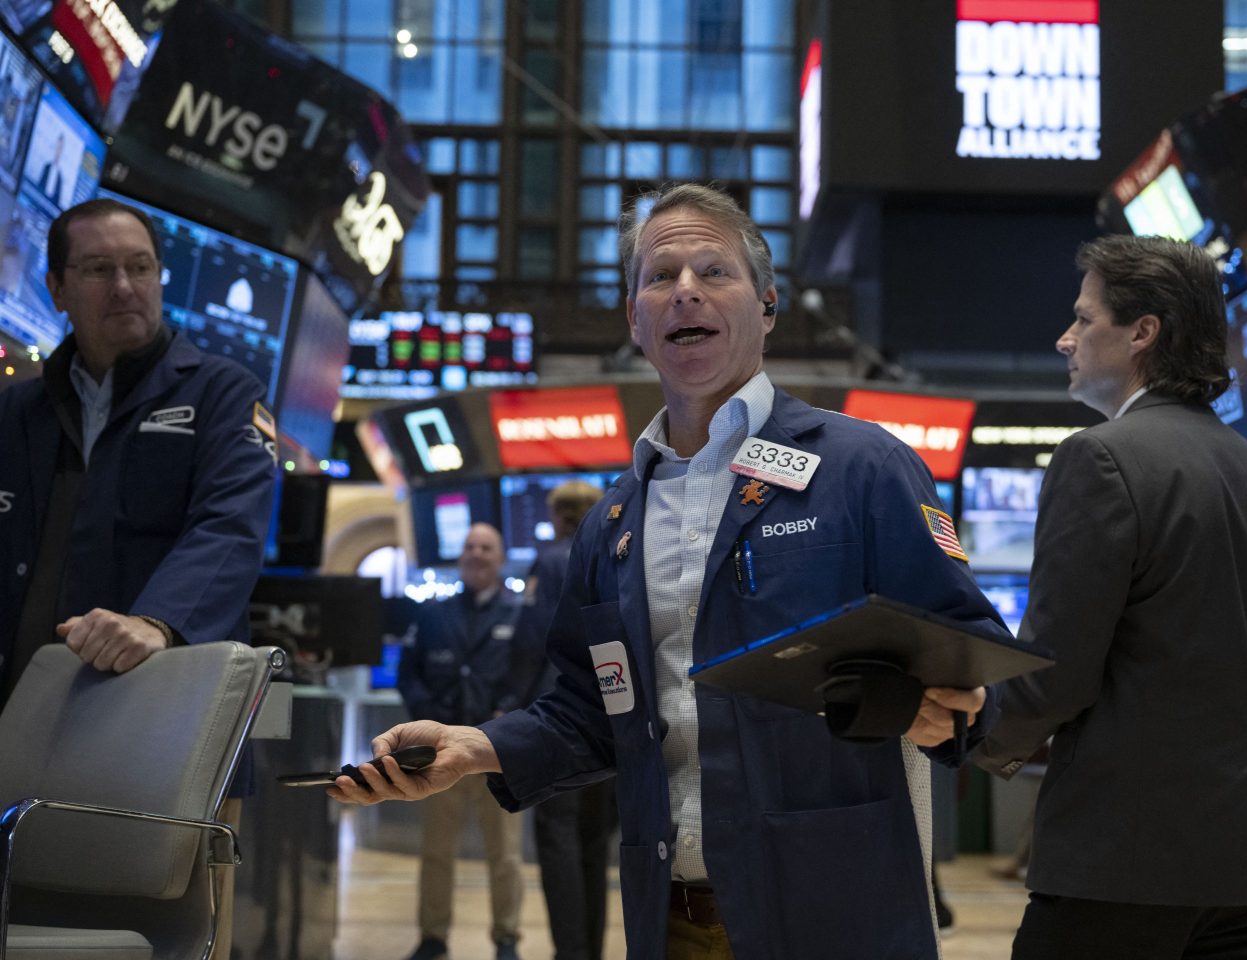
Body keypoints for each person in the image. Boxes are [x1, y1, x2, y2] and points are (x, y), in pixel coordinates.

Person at [331, 182, 1004, 960]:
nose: (685, 290)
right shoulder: (614, 522)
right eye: (660, 276)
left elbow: (976, 660)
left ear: (768, 305)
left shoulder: (861, 470)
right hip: (672, 914)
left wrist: (960, 706)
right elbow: (590, 709)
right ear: (635, 320)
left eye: (715, 271)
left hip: (834, 905)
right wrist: (475, 746)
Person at [971, 234, 1247, 960]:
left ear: (1143, 332)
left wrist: (969, 733)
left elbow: (1054, 670)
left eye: (1084, 318)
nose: (1065, 338)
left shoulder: (1098, 459)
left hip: (1123, 865)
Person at [0, 196, 277, 958]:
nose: (124, 286)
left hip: (175, 739)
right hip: (27, 728)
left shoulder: (223, 393)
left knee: (173, 940)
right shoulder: (15, 412)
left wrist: (157, 622)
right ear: (56, 289)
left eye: (140, 267)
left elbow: (231, 528)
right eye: (97, 269)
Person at [396, 522, 524, 960]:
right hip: (438, 756)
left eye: (486, 547)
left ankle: (506, 939)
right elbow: (408, 675)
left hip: (497, 755)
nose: (476, 554)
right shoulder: (433, 615)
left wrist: (510, 714)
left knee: (505, 854)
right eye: (469, 546)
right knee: (436, 852)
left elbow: (533, 675)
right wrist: (427, 718)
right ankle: (433, 938)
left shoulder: (518, 613)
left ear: (500, 557)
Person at [508, 479, 618, 960]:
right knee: (596, 844)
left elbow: (534, 640)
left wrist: (514, 704)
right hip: (611, 716)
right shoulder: (616, 553)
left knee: (558, 842)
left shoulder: (550, 560)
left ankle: (569, 953)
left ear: (558, 516)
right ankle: (590, 950)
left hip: (559, 716)